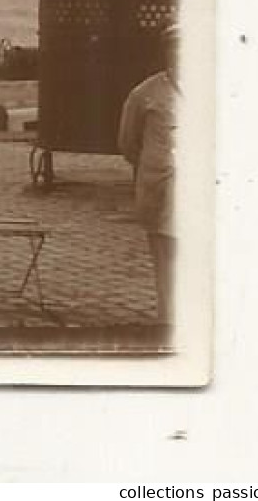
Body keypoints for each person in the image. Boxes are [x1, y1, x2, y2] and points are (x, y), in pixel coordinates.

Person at [117, 25, 181, 324]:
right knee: (166, 259)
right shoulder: (145, 94)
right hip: (162, 187)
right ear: (166, 52)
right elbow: (128, 143)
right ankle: (167, 323)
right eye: (175, 47)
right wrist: (154, 165)